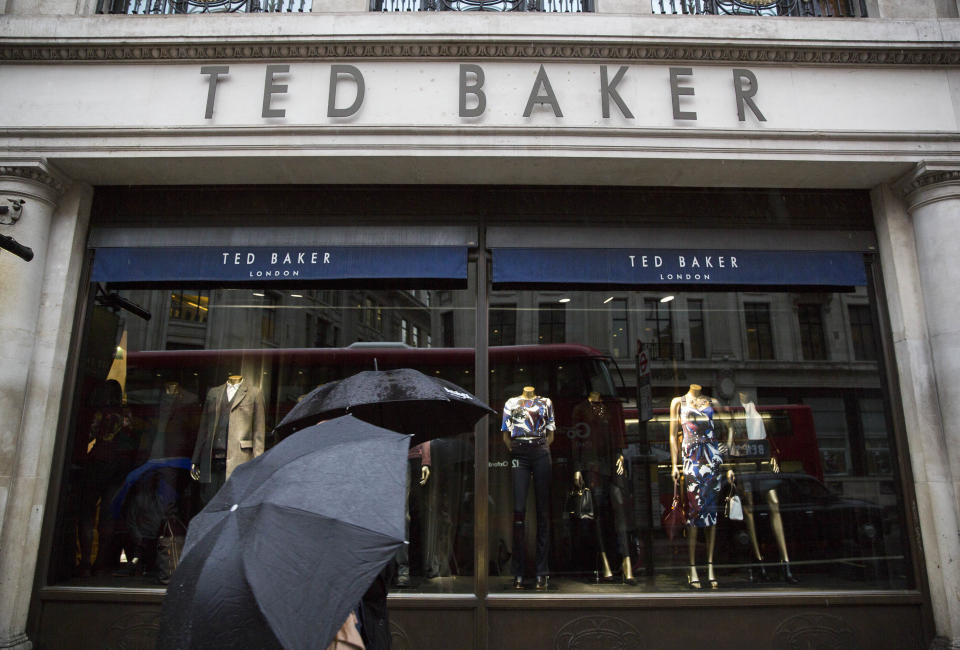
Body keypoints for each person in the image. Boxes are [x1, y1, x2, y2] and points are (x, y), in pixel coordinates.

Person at [669, 384, 726, 589]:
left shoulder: (713, 402)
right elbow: (673, 435)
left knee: (711, 515)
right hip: (691, 459)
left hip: (712, 458)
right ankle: (692, 566)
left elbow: (728, 427)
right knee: (694, 512)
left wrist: (726, 453)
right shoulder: (678, 402)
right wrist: (675, 464)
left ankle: (710, 566)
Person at [502, 385, 555, 590]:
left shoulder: (546, 402)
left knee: (542, 511)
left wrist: (542, 449)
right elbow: (505, 434)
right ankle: (518, 572)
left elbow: (551, 433)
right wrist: (515, 450)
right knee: (518, 513)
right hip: (519, 452)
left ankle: (542, 572)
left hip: (540, 450)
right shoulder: (511, 402)